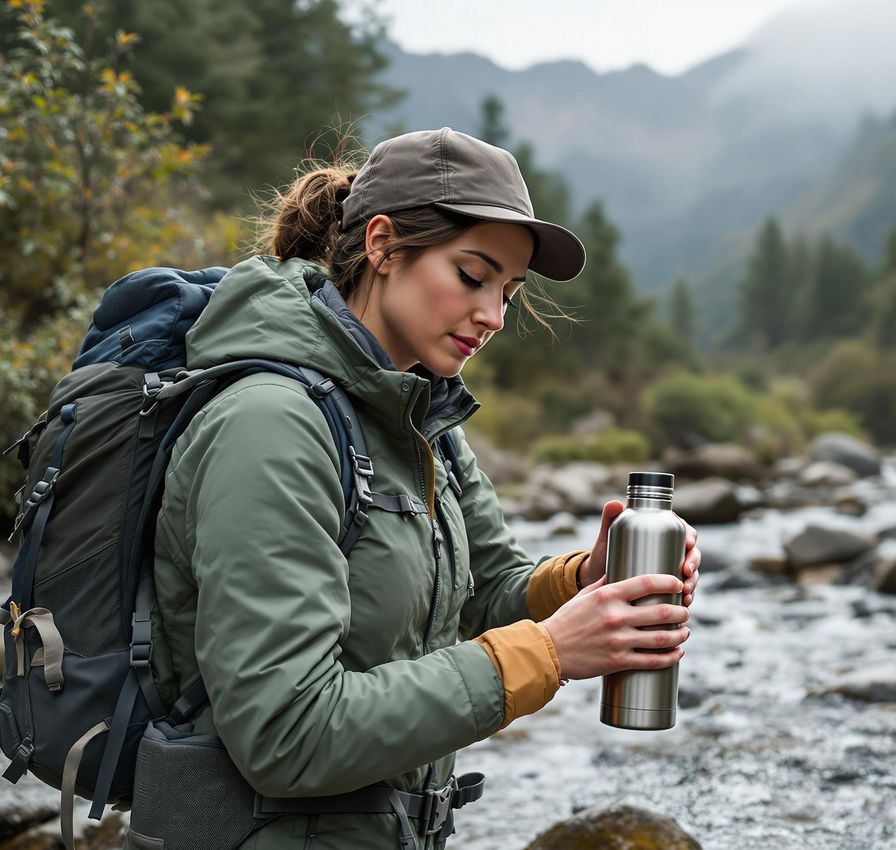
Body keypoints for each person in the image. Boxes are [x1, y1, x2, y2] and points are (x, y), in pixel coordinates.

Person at [133, 128, 701, 850]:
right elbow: (288, 733)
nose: (494, 316)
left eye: (509, 292)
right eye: (472, 276)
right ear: (381, 245)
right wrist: (549, 653)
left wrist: (587, 582)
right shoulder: (270, 425)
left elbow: (488, 589)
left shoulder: (423, 417)